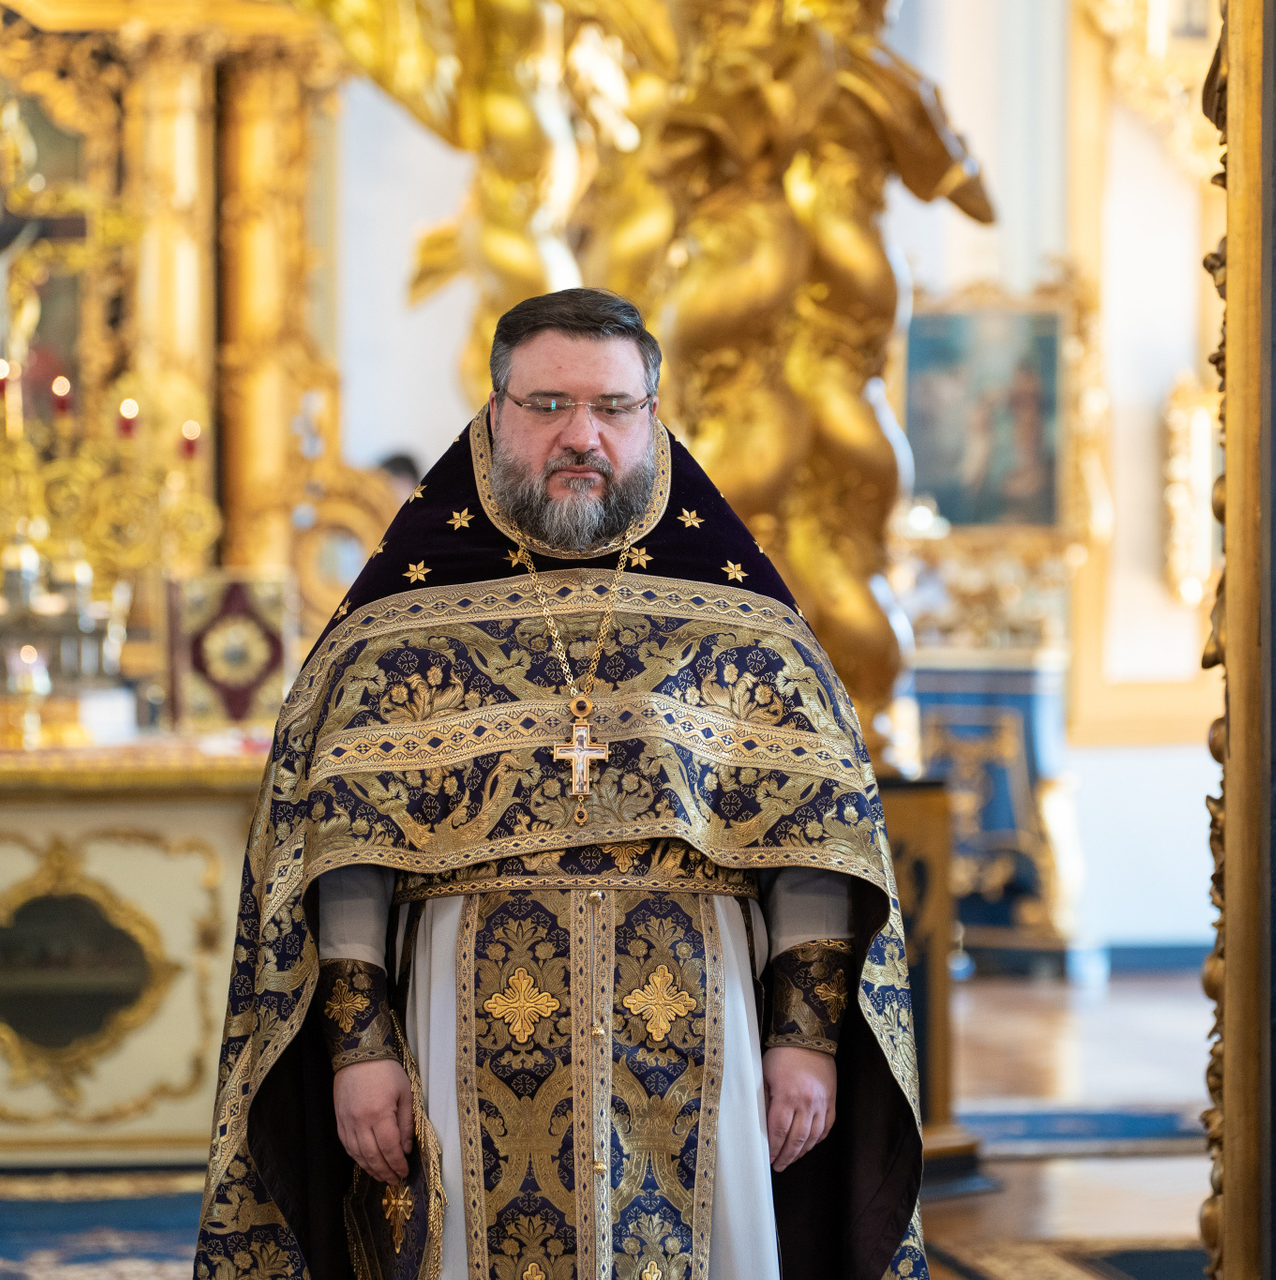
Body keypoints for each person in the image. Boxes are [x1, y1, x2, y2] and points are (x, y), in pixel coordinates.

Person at [197, 288, 929, 1280]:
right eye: (548, 405)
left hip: (700, 1034)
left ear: (651, 415)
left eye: (612, 406)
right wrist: (359, 1047)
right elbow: (342, 853)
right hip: (459, 1035)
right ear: (497, 410)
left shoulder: (737, 615)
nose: (581, 435)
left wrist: (805, 1035)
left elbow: (811, 833)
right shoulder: (400, 622)